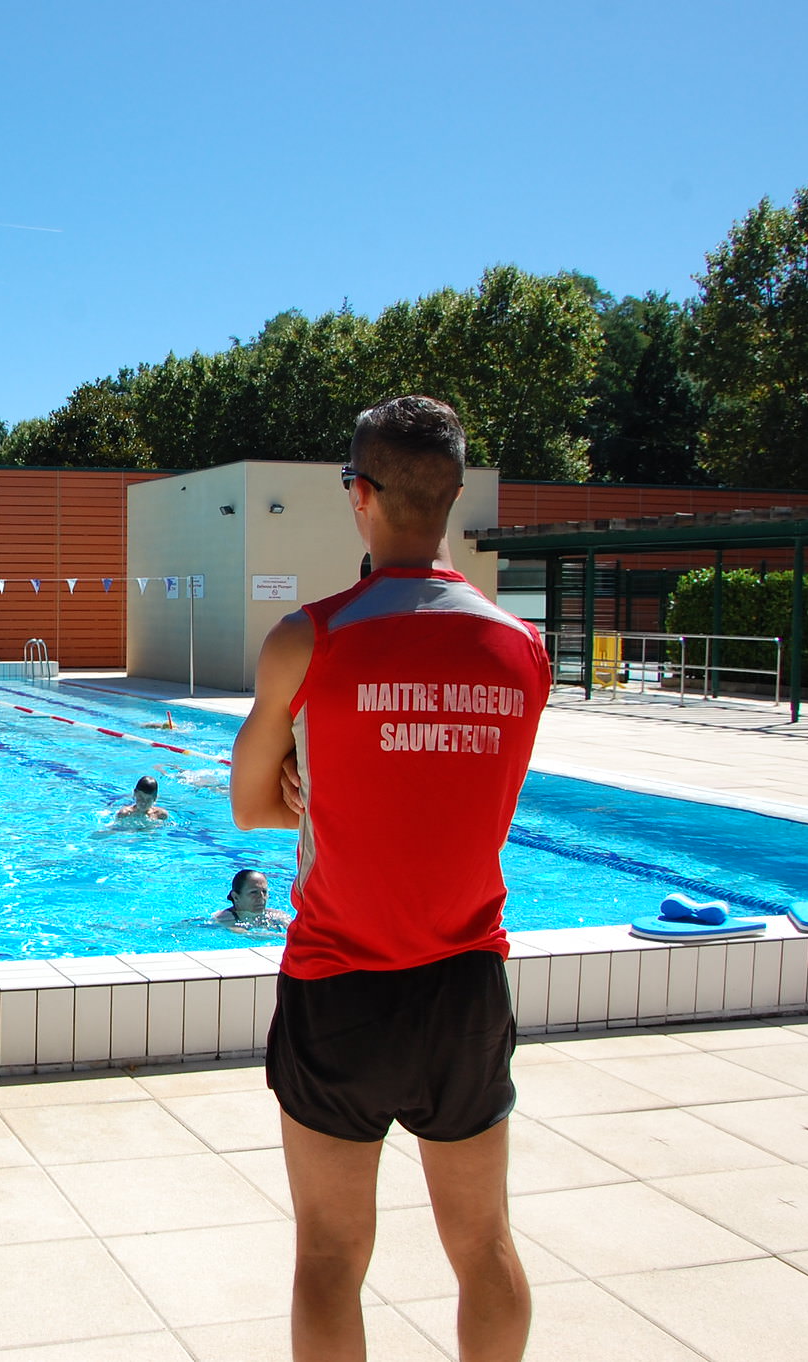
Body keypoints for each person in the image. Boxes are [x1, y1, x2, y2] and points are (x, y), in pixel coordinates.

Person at [229, 395, 550, 1362]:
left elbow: (252, 805)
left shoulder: (309, 639)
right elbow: (464, 799)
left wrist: (315, 790)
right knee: (483, 1243)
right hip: (463, 984)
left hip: (338, 984)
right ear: (451, 496)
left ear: (359, 495)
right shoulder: (522, 651)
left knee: (330, 1253)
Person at [215, 869, 285, 933]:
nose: (261, 897)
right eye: (254, 892)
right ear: (236, 897)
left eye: (264, 892)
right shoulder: (224, 919)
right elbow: (251, 936)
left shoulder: (277, 915)